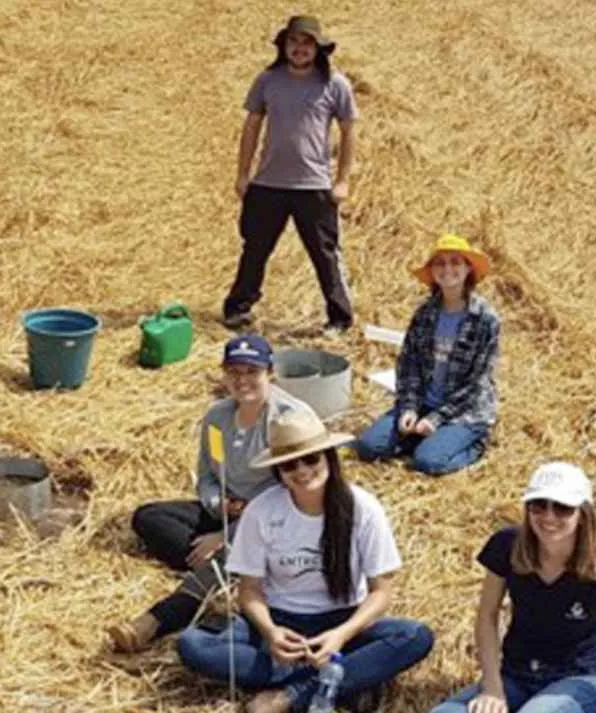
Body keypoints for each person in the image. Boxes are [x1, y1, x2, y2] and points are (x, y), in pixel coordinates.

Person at [178, 410, 434, 713]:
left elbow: (381, 592)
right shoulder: (262, 511)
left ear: (328, 458)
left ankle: (294, 693)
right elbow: (249, 591)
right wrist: (271, 632)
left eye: (311, 459)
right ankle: (345, 678)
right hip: (280, 622)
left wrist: (340, 635)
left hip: (343, 623)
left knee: (415, 636)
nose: (301, 471)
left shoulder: (363, 509)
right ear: (278, 471)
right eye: (289, 465)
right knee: (192, 645)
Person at [429, 463, 596, 713]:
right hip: (515, 674)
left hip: (578, 680)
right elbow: (487, 615)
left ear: (583, 514)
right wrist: (492, 687)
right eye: (538, 506)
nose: (549, 516)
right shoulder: (506, 545)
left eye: (563, 508)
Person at [108, 335, 313, 652]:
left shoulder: (288, 421)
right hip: (227, 510)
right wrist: (219, 505)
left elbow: (292, 493)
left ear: (270, 373)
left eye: (251, 372)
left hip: (271, 519)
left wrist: (226, 536)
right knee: (149, 517)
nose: (242, 381)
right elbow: (207, 474)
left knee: (236, 551)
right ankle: (223, 571)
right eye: (234, 372)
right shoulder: (218, 417)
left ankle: (154, 621)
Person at [222, 15, 358, 335]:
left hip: (314, 186)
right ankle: (238, 309)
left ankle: (339, 317)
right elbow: (252, 126)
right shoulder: (267, 80)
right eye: (293, 42)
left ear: (318, 48)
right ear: (284, 46)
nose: (299, 49)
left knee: (325, 254)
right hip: (268, 183)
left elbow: (349, 131)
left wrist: (342, 181)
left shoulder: (335, 84)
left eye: (307, 43)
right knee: (254, 248)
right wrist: (243, 174)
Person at [355, 234, 500, 475]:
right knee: (368, 447)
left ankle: (475, 441)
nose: (447, 269)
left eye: (455, 262)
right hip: (424, 403)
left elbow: (477, 382)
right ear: (432, 271)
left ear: (468, 269)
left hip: (465, 411)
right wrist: (409, 407)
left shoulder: (485, 319)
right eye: (440, 263)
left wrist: (437, 419)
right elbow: (408, 365)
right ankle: (420, 437)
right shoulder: (424, 314)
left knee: (427, 462)